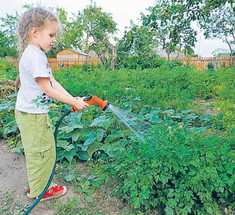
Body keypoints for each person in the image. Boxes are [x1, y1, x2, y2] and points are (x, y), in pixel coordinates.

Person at [15, 7, 89, 201]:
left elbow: (53, 82)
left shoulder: (35, 54)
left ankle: (38, 185)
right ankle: (40, 190)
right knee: (42, 153)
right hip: (32, 116)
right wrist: (73, 102)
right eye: (51, 35)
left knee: (42, 151)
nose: (54, 39)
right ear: (35, 33)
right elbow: (48, 89)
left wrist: (74, 99)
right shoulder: (35, 56)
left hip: (31, 114)